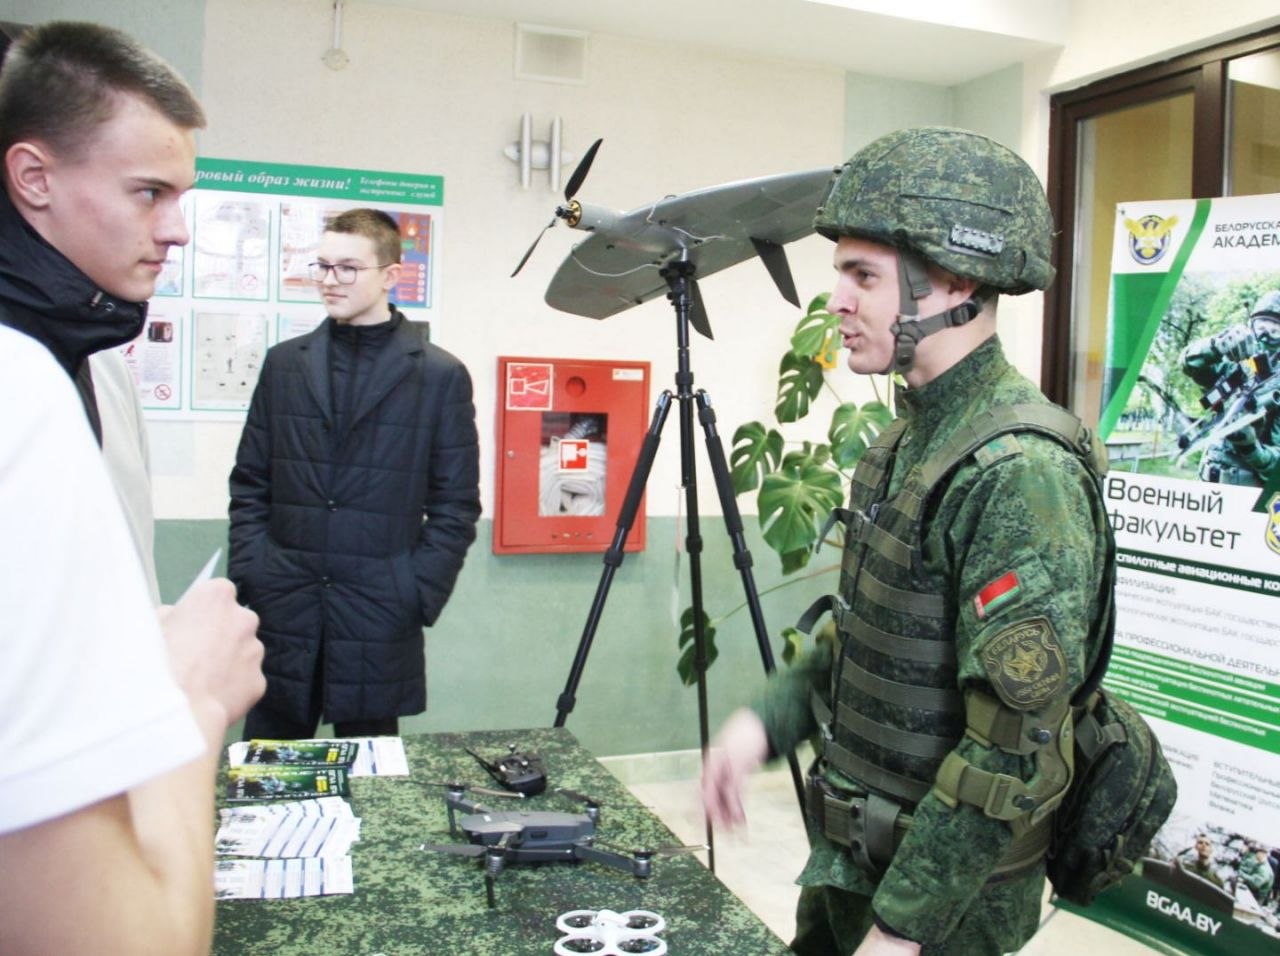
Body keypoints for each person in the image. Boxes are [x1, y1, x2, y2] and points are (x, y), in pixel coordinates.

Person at [702, 127, 1114, 955]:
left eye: (864, 277)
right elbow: (870, 639)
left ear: (955, 280)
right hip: (854, 868)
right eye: (840, 275)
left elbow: (1015, 751)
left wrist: (903, 931)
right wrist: (761, 724)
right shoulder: (904, 443)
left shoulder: (1019, 473)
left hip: (944, 907)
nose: (838, 302)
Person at [0, 323, 265, 955]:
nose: (175, 229)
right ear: (33, 212)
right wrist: (192, 698)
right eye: (147, 211)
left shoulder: (102, 365)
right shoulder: (21, 381)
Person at [229, 207, 481, 740]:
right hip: (285, 602)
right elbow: (251, 480)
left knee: (370, 787)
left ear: (390, 276)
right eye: (321, 266)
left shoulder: (438, 375)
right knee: (268, 773)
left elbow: (456, 505)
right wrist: (255, 571)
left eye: (347, 268)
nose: (328, 281)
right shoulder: (285, 364)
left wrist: (413, 591)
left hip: (378, 606)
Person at [0, 20, 198, 600]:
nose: (178, 232)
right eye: (149, 193)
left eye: (180, 197)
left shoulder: (103, 359)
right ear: (34, 178)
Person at [1180, 291, 1280, 486]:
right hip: (1205, 484)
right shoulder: (1232, 366)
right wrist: (1215, 347)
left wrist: (1251, 448)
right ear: (1251, 327)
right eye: (1262, 327)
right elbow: (1187, 364)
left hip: (1247, 493)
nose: (1267, 335)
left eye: (1276, 329)